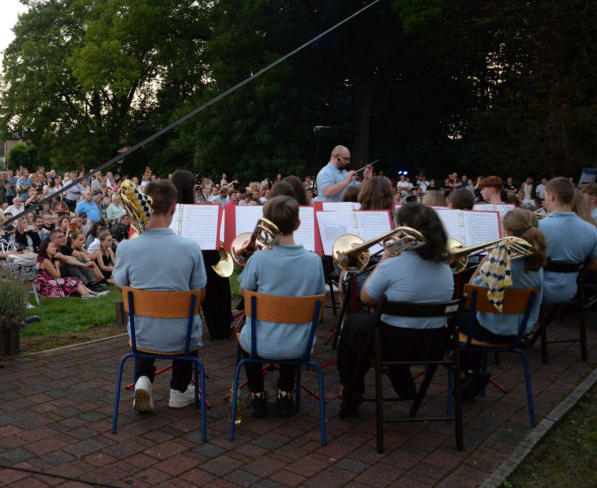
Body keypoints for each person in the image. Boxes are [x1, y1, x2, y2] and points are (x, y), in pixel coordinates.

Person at [337, 203, 454, 416]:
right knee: (387, 326)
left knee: (354, 325)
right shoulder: (445, 268)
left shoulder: (393, 264)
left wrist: (384, 258)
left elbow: (365, 297)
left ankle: (352, 390)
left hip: (392, 346)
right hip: (432, 347)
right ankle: (403, 384)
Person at [113, 179, 207, 413]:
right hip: (182, 339)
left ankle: (143, 380)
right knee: (186, 320)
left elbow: (120, 286)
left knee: (146, 321)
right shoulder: (191, 247)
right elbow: (200, 295)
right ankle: (180, 389)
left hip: (142, 336)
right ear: (174, 208)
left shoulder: (127, 247)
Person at [237, 196, 326, 418]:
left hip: (259, 344)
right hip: (299, 346)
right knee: (292, 328)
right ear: (298, 224)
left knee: (249, 330)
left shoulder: (258, 259)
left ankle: (257, 394)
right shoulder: (314, 261)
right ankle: (285, 392)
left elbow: (243, 292)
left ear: (267, 223)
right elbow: (318, 296)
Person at [460, 209, 546, 398]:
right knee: (468, 321)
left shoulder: (499, 265)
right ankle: (473, 372)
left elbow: (471, 295)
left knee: (454, 318)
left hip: (491, 330)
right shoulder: (536, 263)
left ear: (507, 233)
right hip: (519, 332)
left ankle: (471, 371)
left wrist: (484, 264)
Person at [170, 170, 232, 340]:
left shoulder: (169, 210)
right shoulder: (199, 210)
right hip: (199, 257)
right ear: (191, 190)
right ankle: (220, 327)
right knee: (216, 274)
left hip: (176, 261)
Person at [538, 178, 597, 305]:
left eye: (546, 195)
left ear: (552, 196)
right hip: (571, 291)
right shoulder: (591, 229)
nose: (544, 199)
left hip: (537, 290)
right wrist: (578, 266)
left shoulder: (537, 227)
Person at [33, 235, 103, 298]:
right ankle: (86, 295)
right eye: (52, 247)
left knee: (75, 279)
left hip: (49, 283)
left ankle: (93, 293)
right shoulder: (45, 261)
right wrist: (57, 266)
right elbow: (57, 276)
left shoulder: (50, 258)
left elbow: (68, 259)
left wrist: (84, 265)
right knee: (72, 281)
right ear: (46, 249)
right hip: (45, 287)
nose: (55, 249)